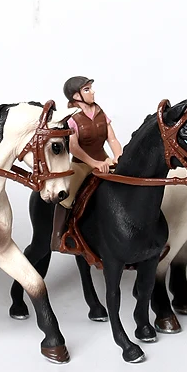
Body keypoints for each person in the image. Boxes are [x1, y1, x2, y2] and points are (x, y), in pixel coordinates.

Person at [51, 76, 123, 250]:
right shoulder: (71, 118)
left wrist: (118, 156)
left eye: (90, 88)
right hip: (82, 164)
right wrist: (94, 163)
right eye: (87, 89)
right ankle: (57, 237)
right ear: (76, 95)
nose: (92, 92)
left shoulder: (99, 112)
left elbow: (112, 139)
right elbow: (74, 147)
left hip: (103, 158)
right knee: (67, 197)